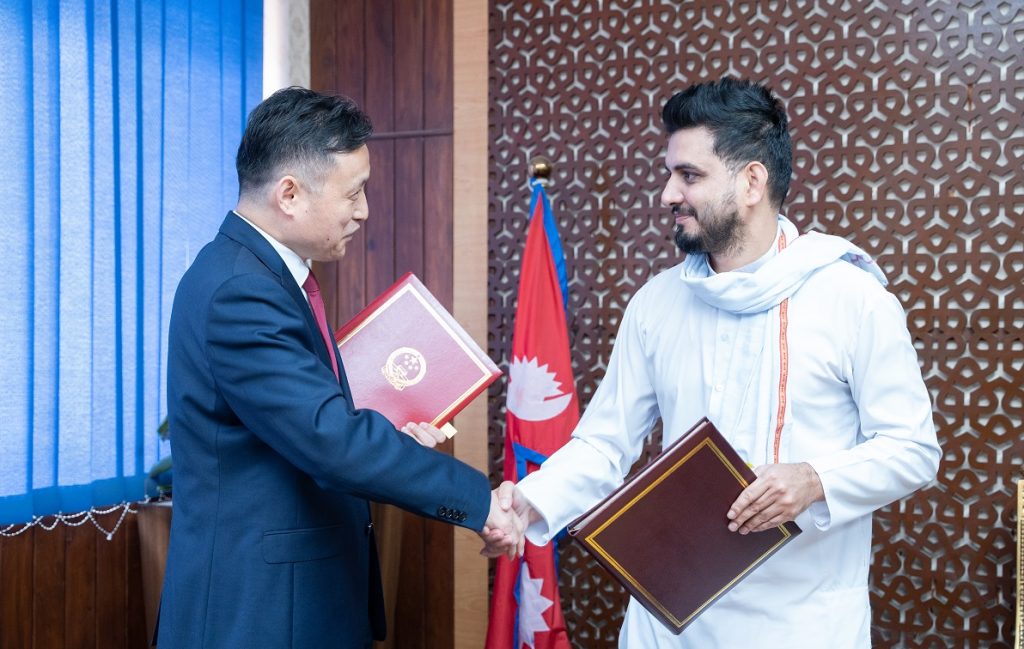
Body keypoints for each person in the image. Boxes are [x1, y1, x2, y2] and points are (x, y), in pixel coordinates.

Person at [485, 78, 941, 648]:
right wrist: (530, 502)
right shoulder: (656, 302)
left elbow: (912, 449)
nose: (667, 194)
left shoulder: (851, 297)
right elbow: (604, 442)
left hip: (802, 621)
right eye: (669, 174)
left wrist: (814, 480)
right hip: (667, 622)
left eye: (689, 176)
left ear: (752, 181)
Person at [158, 87, 520, 649]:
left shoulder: (261, 275)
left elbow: (299, 428)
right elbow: (330, 441)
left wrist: (389, 438)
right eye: (353, 193)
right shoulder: (240, 291)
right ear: (289, 194)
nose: (364, 210)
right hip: (260, 613)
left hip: (295, 600)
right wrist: (479, 502)